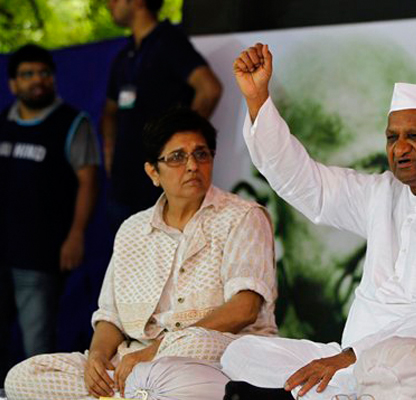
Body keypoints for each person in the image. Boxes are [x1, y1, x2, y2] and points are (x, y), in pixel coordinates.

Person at [220, 43, 416, 400]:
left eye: (415, 136)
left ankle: (334, 389)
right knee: (241, 352)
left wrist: (350, 357)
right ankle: (340, 389)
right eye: (392, 137)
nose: (400, 148)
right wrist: (257, 100)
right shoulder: (382, 194)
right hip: (351, 360)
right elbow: (309, 184)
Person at [4, 108, 278, 399]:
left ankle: (135, 391)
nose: (192, 166)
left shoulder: (243, 217)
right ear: (153, 172)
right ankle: (131, 391)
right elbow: (110, 317)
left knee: (189, 347)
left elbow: (244, 309)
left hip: (210, 357)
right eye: (177, 157)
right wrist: (97, 358)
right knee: (23, 377)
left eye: (201, 154)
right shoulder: (133, 229)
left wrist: (156, 351)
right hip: (133, 361)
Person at [0, 44, 99, 384]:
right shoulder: (3, 121)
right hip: (2, 250)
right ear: (13, 83)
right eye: (27, 74)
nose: (37, 80)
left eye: (43, 73)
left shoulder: (71, 122)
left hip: (41, 255)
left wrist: (76, 234)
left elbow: (88, 182)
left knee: (37, 347)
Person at [103, 0, 223, 231]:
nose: (110, 4)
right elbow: (109, 111)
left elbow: (209, 89)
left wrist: (180, 147)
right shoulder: (124, 54)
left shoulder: (169, 42)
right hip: (123, 185)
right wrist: (109, 149)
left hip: (158, 189)